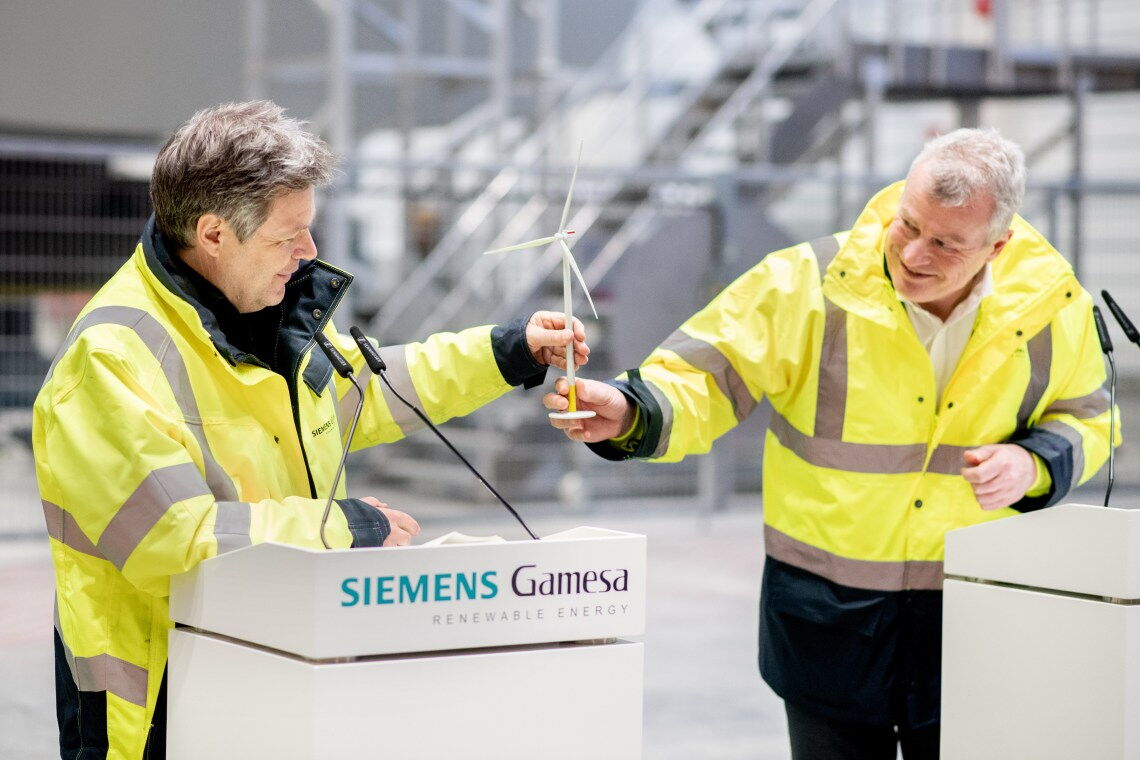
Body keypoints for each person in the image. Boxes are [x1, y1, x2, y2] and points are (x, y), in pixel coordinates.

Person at [34, 100, 589, 760]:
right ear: (213, 235)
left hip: (275, 657)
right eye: (288, 236)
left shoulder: (260, 312)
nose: (310, 253)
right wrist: (339, 530)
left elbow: (365, 390)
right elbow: (170, 539)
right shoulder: (109, 360)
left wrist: (505, 352)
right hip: (159, 703)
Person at [544, 128, 1116, 759]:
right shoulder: (808, 283)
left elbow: (1090, 418)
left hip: (974, 615)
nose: (913, 254)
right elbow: (706, 375)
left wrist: (1033, 463)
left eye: (945, 244)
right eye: (908, 223)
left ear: (996, 245)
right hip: (827, 615)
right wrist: (632, 411)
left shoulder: (1048, 306)